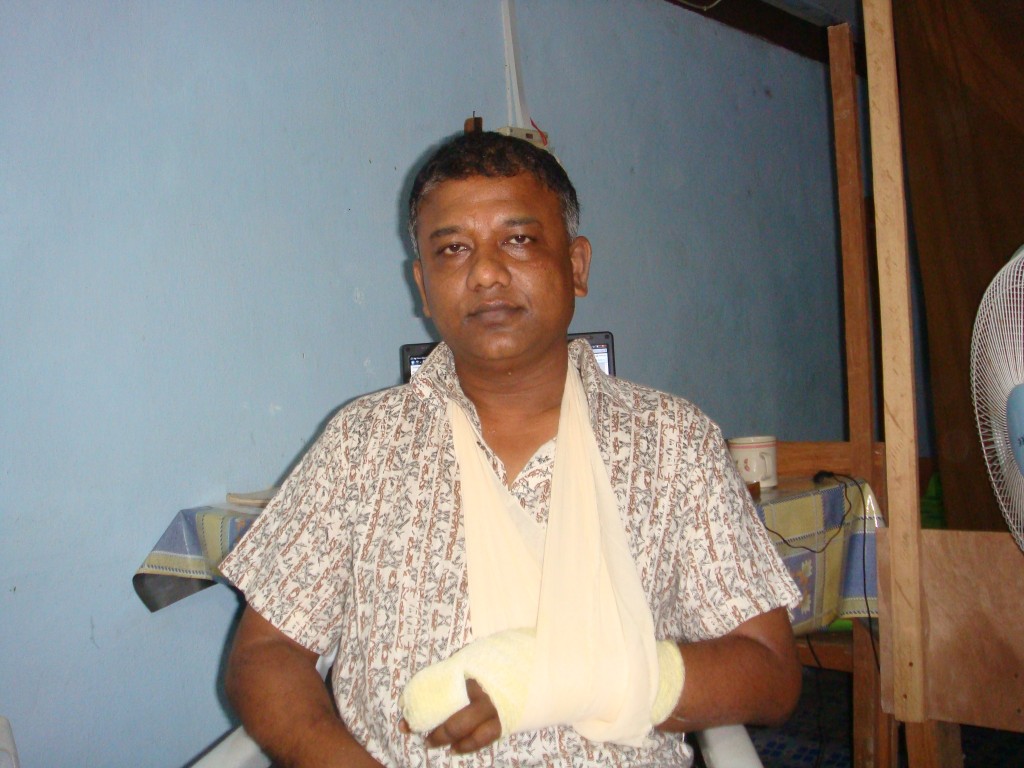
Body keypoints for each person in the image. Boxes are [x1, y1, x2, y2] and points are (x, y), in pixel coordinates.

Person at [221, 131, 802, 768]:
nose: (486, 273)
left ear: (576, 265)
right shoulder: (360, 445)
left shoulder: (673, 444)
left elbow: (771, 671)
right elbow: (265, 654)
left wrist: (581, 676)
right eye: (453, 249)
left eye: (518, 240)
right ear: (423, 285)